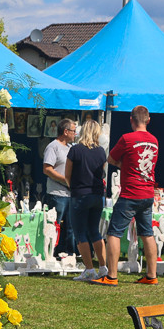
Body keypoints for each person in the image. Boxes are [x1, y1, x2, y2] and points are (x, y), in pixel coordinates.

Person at [90, 106, 159, 287]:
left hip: (130, 193)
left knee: (114, 233)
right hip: (148, 193)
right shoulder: (154, 141)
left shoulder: (127, 139)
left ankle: (111, 276)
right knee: (147, 233)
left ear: (131, 120)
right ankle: (151, 275)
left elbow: (111, 159)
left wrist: (125, 166)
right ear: (148, 120)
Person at [65, 118, 108, 282]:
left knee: (80, 233)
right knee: (95, 231)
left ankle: (89, 269)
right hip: (97, 194)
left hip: (80, 195)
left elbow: (67, 174)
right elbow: (101, 172)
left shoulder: (75, 150)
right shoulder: (101, 152)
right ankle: (103, 266)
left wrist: (72, 187)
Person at [42, 118, 77, 257]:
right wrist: (65, 180)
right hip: (57, 193)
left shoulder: (71, 148)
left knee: (71, 226)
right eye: (73, 131)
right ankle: (51, 253)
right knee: (54, 225)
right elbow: (47, 169)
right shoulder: (53, 147)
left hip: (70, 194)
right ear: (65, 131)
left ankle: (69, 254)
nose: (75, 133)